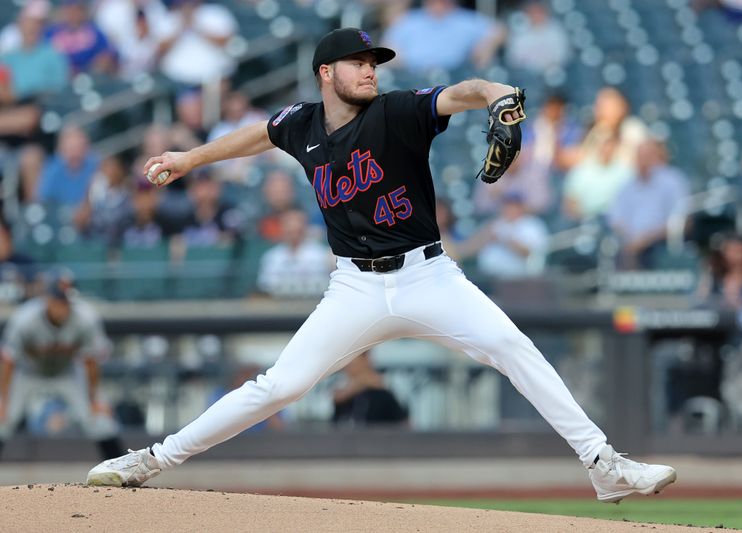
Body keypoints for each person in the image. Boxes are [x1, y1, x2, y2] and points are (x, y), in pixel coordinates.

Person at [86, 27, 676, 503]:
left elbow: (465, 91)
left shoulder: (397, 111)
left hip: (429, 276)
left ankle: (603, 465)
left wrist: (498, 94)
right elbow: (256, 136)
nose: (370, 69)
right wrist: (191, 157)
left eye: (375, 61)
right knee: (278, 386)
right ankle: (151, 460)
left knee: (512, 346)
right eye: (358, 61)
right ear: (327, 72)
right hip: (354, 288)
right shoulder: (301, 124)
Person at [0, 278, 123, 460]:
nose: (63, 306)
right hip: (28, 373)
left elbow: (90, 361)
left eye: (66, 301)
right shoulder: (24, 319)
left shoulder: (86, 318)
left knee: (99, 420)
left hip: (67, 372)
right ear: (47, 299)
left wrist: (95, 398)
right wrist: (3, 399)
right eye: (58, 300)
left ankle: (120, 470)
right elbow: (9, 361)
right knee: (3, 420)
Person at [607, 139, 690, 270]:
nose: (643, 161)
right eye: (640, 156)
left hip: (660, 244)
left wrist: (645, 240)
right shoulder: (625, 186)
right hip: (629, 245)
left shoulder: (672, 181)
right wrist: (632, 241)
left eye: (648, 156)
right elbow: (616, 220)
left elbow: (680, 220)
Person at [256, 208, 333, 298]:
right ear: (282, 228)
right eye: (290, 230)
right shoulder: (272, 256)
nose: (293, 232)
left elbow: (328, 284)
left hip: (315, 302)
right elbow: (265, 286)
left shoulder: (321, 254)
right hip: (279, 305)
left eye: (297, 230)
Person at [332, 351, 408, 427]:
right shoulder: (342, 397)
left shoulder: (382, 394)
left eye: (351, 360)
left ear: (366, 359)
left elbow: (403, 424)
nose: (347, 365)